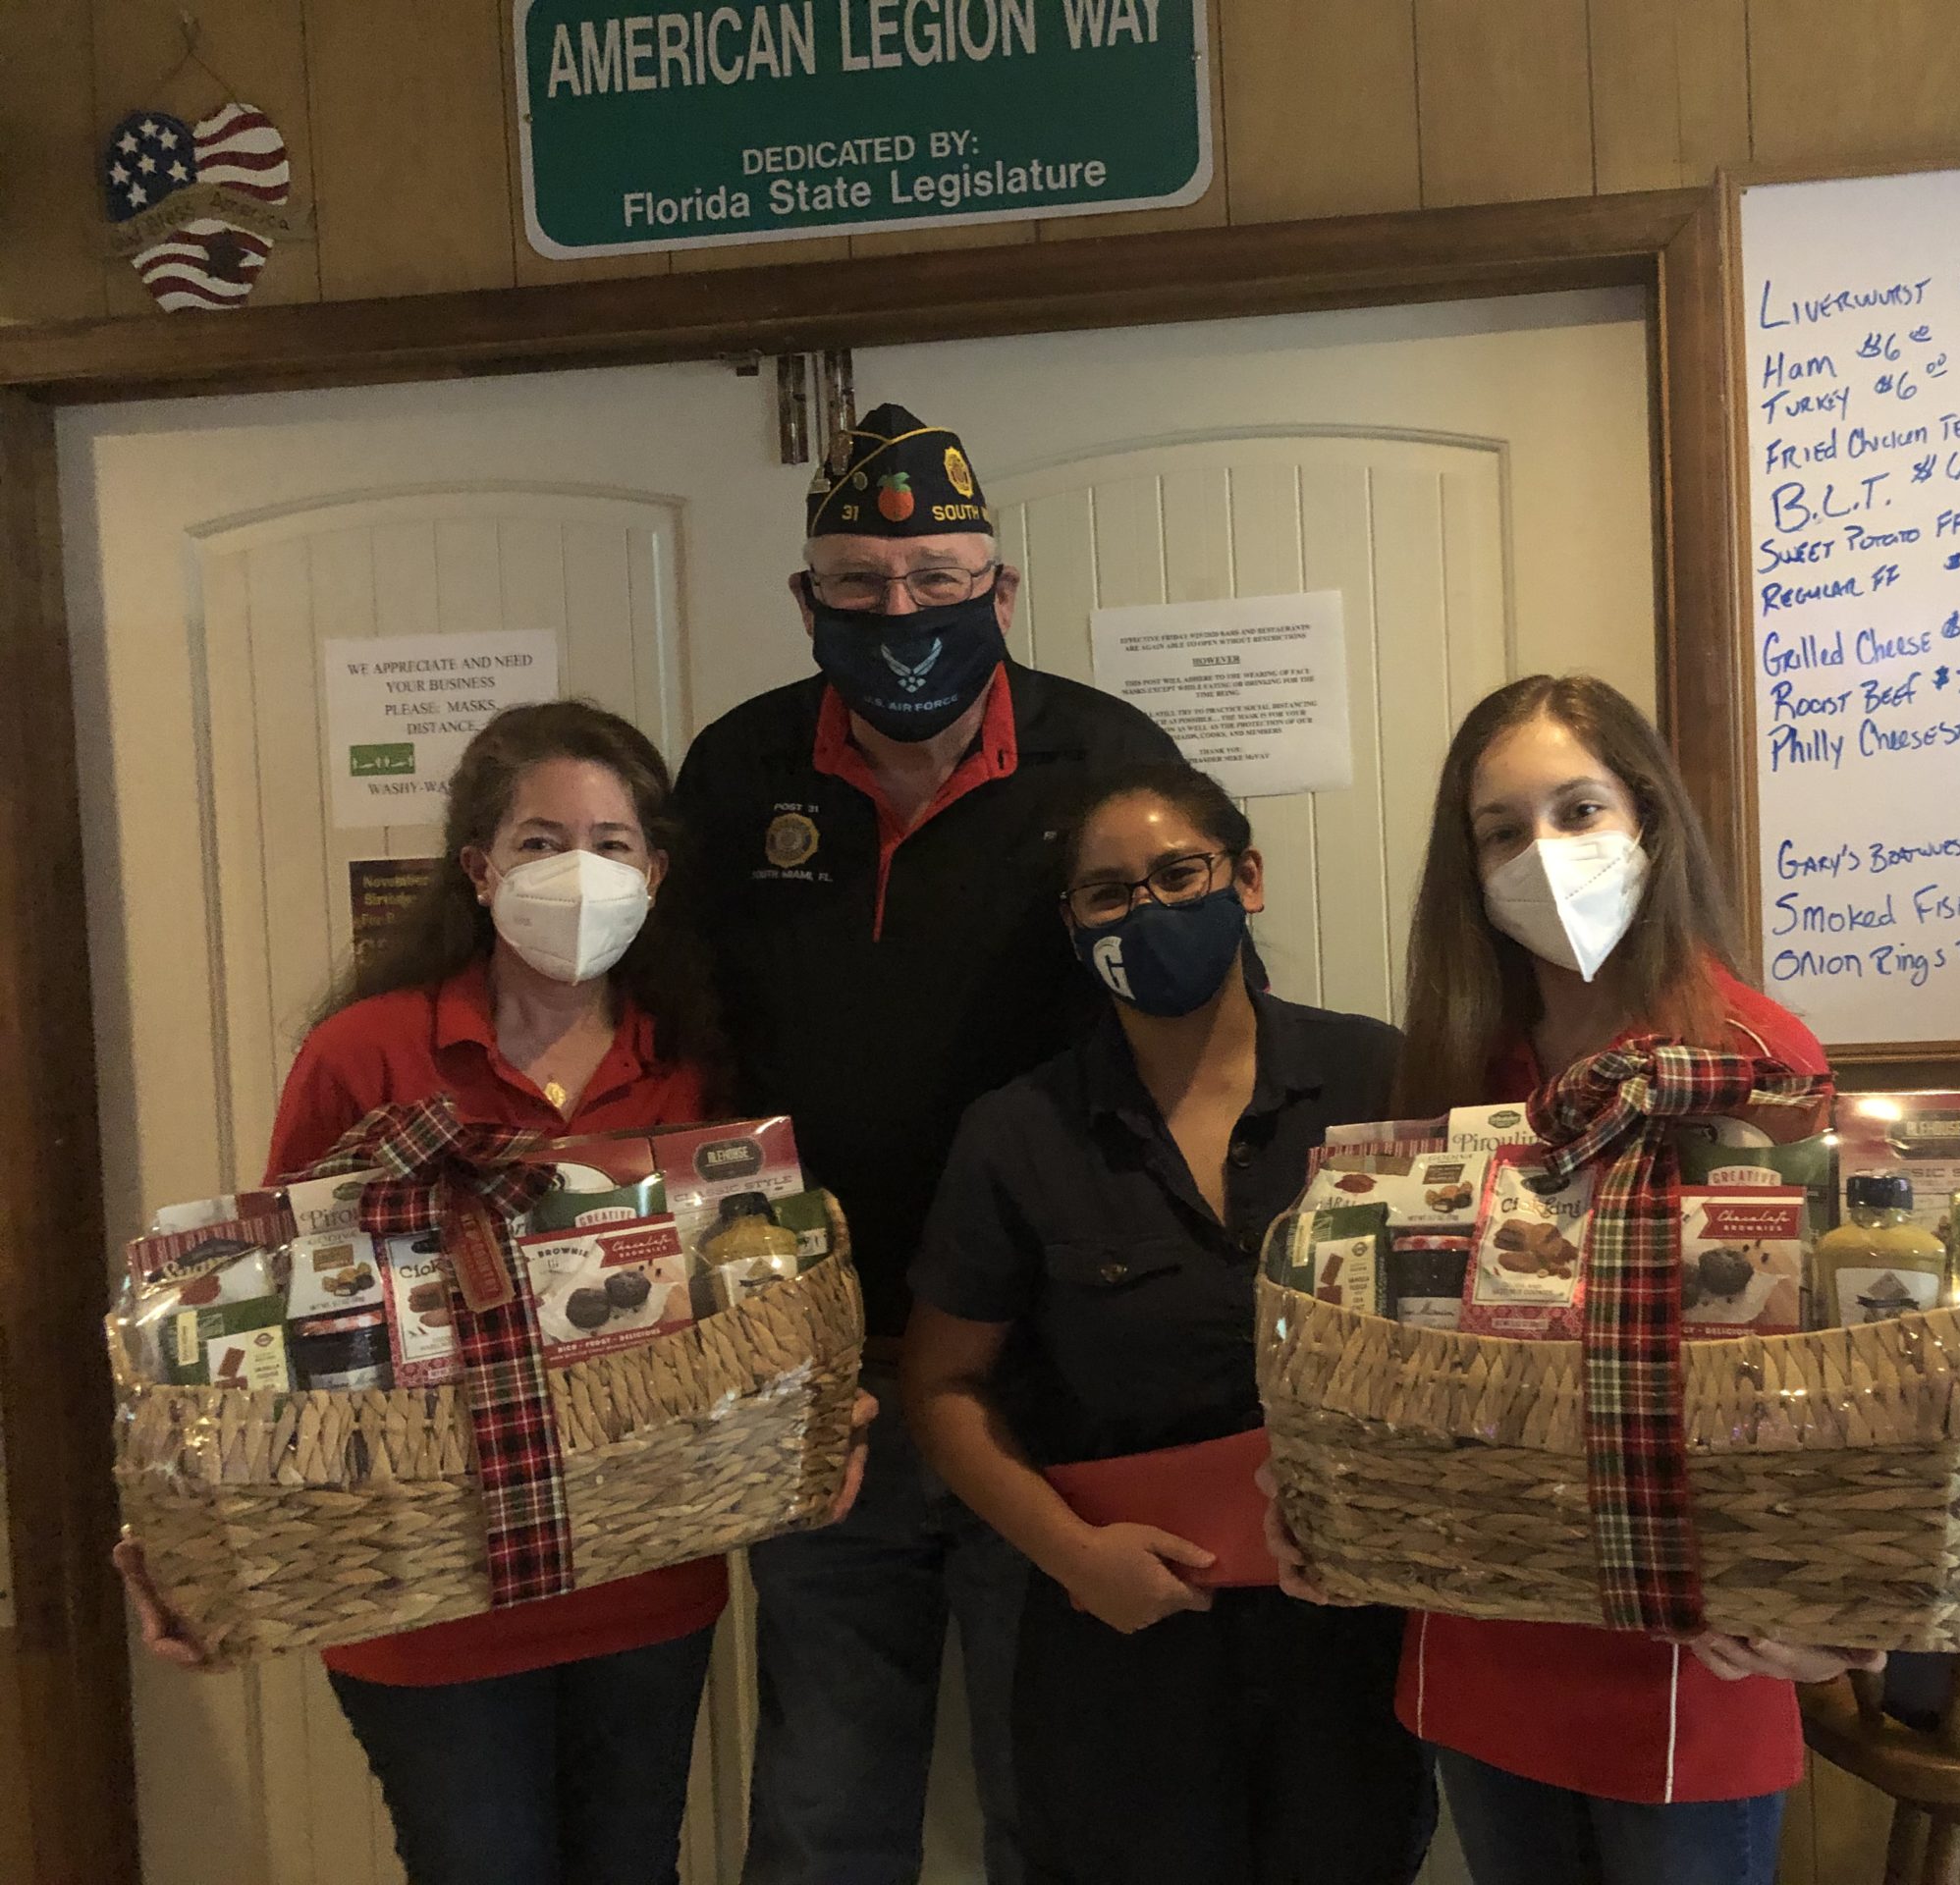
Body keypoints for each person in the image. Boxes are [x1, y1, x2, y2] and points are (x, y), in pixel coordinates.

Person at [113, 700, 872, 1885]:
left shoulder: (697, 1063)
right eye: (538, 841)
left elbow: (748, 1302)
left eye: (613, 844)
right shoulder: (365, 1058)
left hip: (644, 1580)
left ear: (657, 871)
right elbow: (262, 1331)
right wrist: (173, 1537)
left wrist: (822, 1416)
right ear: (477, 867)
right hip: (420, 1600)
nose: (578, 871)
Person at [672, 404, 1178, 1884]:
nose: (905, 612)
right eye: (863, 583)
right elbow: (683, 1053)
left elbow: (1197, 1033)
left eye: (942, 579)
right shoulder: (732, 772)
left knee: (1058, 1796)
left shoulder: (1108, 759)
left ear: (1000, 592)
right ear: (807, 597)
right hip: (821, 1388)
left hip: (1053, 1380)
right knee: (826, 1806)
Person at [1266, 673, 1882, 1885]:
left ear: (1647, 818)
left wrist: (1840, 1608)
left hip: (1692, 1650)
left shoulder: (1755, 1059)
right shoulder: (1458, 1075)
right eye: (1503, 831)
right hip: (1486, 1630)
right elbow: (1403, 1354)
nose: (1543, 855)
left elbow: (1834, 1373)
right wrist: (1319, 1492)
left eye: (1578, 809)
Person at [900, 761, 1436, 1885]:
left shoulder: (1381, 1074)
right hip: (1117, 1636)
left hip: (1348, 1623)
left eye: (1177, 874)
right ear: (1072, 925)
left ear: (1244, 878)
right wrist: (1073, 1556)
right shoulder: (1018, 1132)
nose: (1146, 910)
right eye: (1108, 893)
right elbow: (943, 1388)